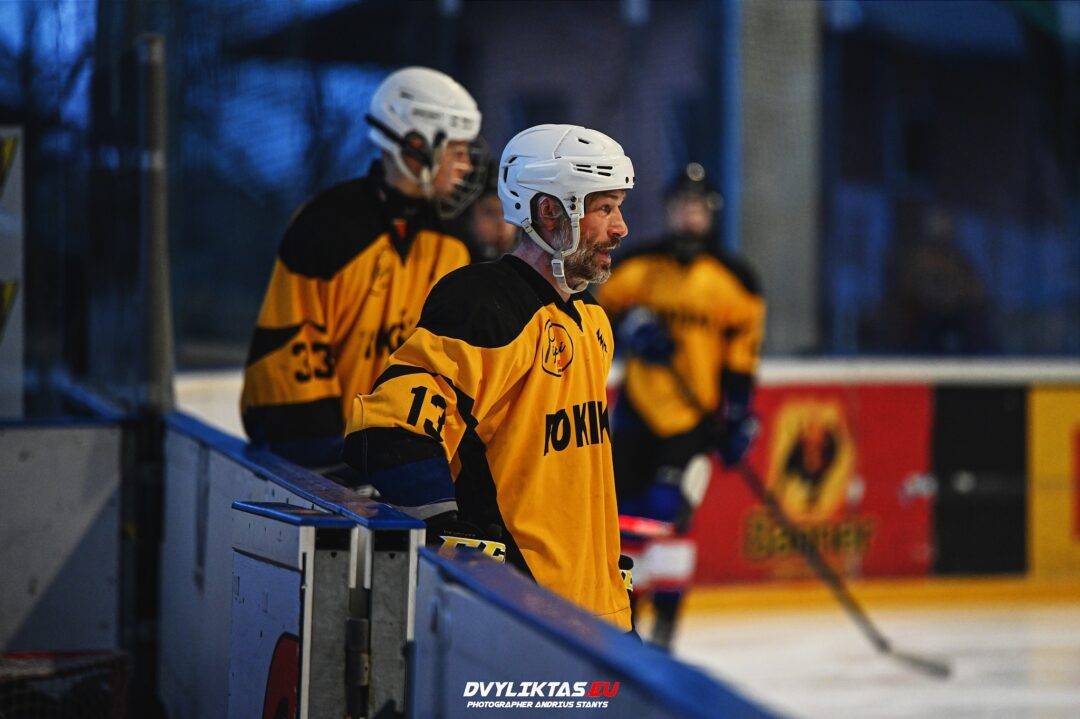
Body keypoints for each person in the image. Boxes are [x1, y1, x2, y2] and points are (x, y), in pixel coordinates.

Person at [342, 124, 635, 630]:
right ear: (550, 211)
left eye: (619, 207)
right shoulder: (483, 302)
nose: (621, 228)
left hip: (599, 613)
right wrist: (454, 540)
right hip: (523, 616)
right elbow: (387, 431)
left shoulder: (593, 320)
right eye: (604, 208)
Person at [240, 67, 486, 470]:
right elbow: (292, 348)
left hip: (405, 455)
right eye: (455, 151)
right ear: (415, 146)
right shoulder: (326, 224)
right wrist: (329, 455)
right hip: (320, 458)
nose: (465, 165)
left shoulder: (456, 241)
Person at [595, 162, 766, 649]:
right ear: (668, 210)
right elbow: (590, 310)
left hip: (692, 421)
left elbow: (741, 360)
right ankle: (626, 615)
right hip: (637, 413)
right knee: (625, 520)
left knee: (666, 514)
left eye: (697, 208)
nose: (688, 216)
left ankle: (666, 623)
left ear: (711, 213)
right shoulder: (638, 265)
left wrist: (738, 417)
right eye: (681, 207)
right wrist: (629, 330)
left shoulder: (736, 279)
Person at [461, 160, 518, 260]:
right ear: (468, 217)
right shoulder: (448, 261)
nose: (502, 226)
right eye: (490, 213)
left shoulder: (531, 265)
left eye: (510, 212)